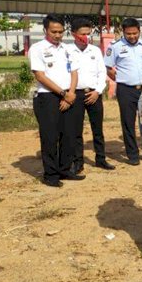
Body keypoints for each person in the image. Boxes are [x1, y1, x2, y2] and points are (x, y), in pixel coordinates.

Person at [30, 14, 85, 187]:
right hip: (48, 98)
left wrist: (70, 93)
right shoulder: (37, 49)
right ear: (45, 30)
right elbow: (40, 75)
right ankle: (51, 174)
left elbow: (74, 72)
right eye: (54, 31)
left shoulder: (67, 49)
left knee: (69, 135)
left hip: (69, 95)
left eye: (61, 32)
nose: (58, 35)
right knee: (50, 137)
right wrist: (63, 94)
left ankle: (64, 169)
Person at [105, 17, 142, 165]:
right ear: (123, 32)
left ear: (139, 31)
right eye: (128, 34)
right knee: (128, 122)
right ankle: (132, 155)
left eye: (135, 33)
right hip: (125, 89)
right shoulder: (115, 47)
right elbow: (108, 68)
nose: (132, 36)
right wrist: (119, 78)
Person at [67, 17, 114, 172]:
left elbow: (102, 73)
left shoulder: (94, 50)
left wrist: (97, 91)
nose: (86, 37)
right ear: (74, 34)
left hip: (94, 93)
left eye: (88, 33)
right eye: (82, 33)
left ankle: (100, 159)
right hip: (76, 94)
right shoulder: (67, 51)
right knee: (76, 130)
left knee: (98, 129)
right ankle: (78, 162)